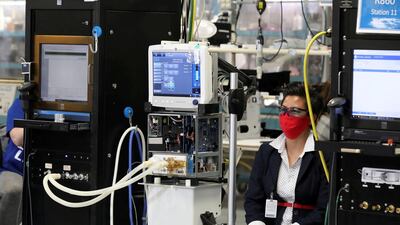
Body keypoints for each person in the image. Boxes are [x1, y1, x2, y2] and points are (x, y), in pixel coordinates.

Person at [244, 83, 329, 225]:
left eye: (294, 111)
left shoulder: (323, 156)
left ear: (312, 118)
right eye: (283, 110)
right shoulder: (267, 152)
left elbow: (324, 209)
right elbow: (253, 200)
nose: (286, 115)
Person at [0, 98, 24, 225]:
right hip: (14, 170)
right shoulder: (21, 103)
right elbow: (18, 137)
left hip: (49, 170)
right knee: (13, 189)